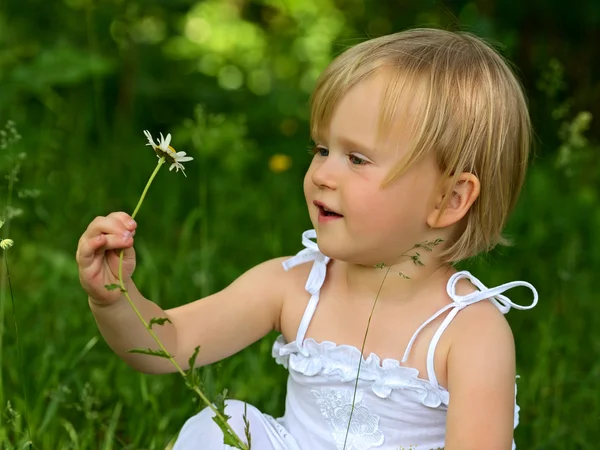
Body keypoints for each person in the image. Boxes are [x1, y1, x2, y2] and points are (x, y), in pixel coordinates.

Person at [76, 28, 539, 450]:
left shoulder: (469, 333)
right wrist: (116, 299)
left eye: (357, 159)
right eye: (321, 149)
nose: (323, 174)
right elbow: (170, 346)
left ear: (449, 198)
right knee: (224, 428)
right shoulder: (295, 286)